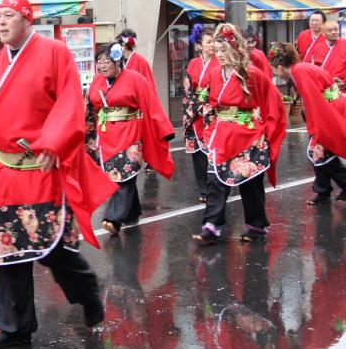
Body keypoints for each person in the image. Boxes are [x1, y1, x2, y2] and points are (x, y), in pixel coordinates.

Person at [0, 0, 118, 349]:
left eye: (9, 15)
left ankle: (88, 294)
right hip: (7, 168)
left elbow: (70, 100)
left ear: (26, 19)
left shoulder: (53, 52)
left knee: (51, 247)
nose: (1, 23)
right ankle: (15, 326)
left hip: (40, 165)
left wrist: (55, 142)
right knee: (8, 248)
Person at [193, 24, 286, 245]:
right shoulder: (215, 74)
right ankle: (211, 226)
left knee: (250, 182)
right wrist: (209, 126)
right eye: (217, 51)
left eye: (224, 50)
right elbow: (209, 103)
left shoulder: (252, 74)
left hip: (248, 134)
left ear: (235, 49)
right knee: (215, 179)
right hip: (223, 133)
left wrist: (267, 131)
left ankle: (257, 226)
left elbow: (273, 104)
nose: (220, 55)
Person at [88, 43, 175, 235]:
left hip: (130, 133)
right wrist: (88, 134)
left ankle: (113, 218)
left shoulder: (135, 79)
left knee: (123, 174)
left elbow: (151, 102)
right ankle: (132, 212)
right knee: (119, 174)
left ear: (117, 61)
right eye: (99, 62)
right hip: (107, 135)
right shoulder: (97, 82)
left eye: (107, 61)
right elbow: (90, 107)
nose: (102, 66)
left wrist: (164, 128)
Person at [270, 43, 346, 205]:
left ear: (281, 67)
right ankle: (323, 190)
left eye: (275, 69)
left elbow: (314, 102)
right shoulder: (300, 69)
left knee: (319, 151)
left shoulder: (299, 72)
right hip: (332, 105)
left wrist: (316, 130)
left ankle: (330, 189)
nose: (275, 72)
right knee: (320, 153)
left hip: (329, 108)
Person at [183, 24, 219, 204]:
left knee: (212, 151)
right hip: (195, 112)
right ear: (199, 45)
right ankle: (203, 188)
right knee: (198, 155)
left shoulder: (219, 62)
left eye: (214, 42)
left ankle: (215, 185)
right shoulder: (193, 63)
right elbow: (188, 87)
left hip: (211, 111)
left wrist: (205, 104)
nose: (212, 45)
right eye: (209, 42)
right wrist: (194, 105)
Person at [116, 28, 157, 93]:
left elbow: (149, 85)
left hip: (136, 97)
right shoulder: (117, 61)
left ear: (123, 44)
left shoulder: (141, 61)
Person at [319, 19, 346, 84]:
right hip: (325, 85)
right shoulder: (318, 48)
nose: (334, 32)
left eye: (336, 29)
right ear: (323, 33)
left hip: (342, 84)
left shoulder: (344, 43)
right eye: (330, 30)